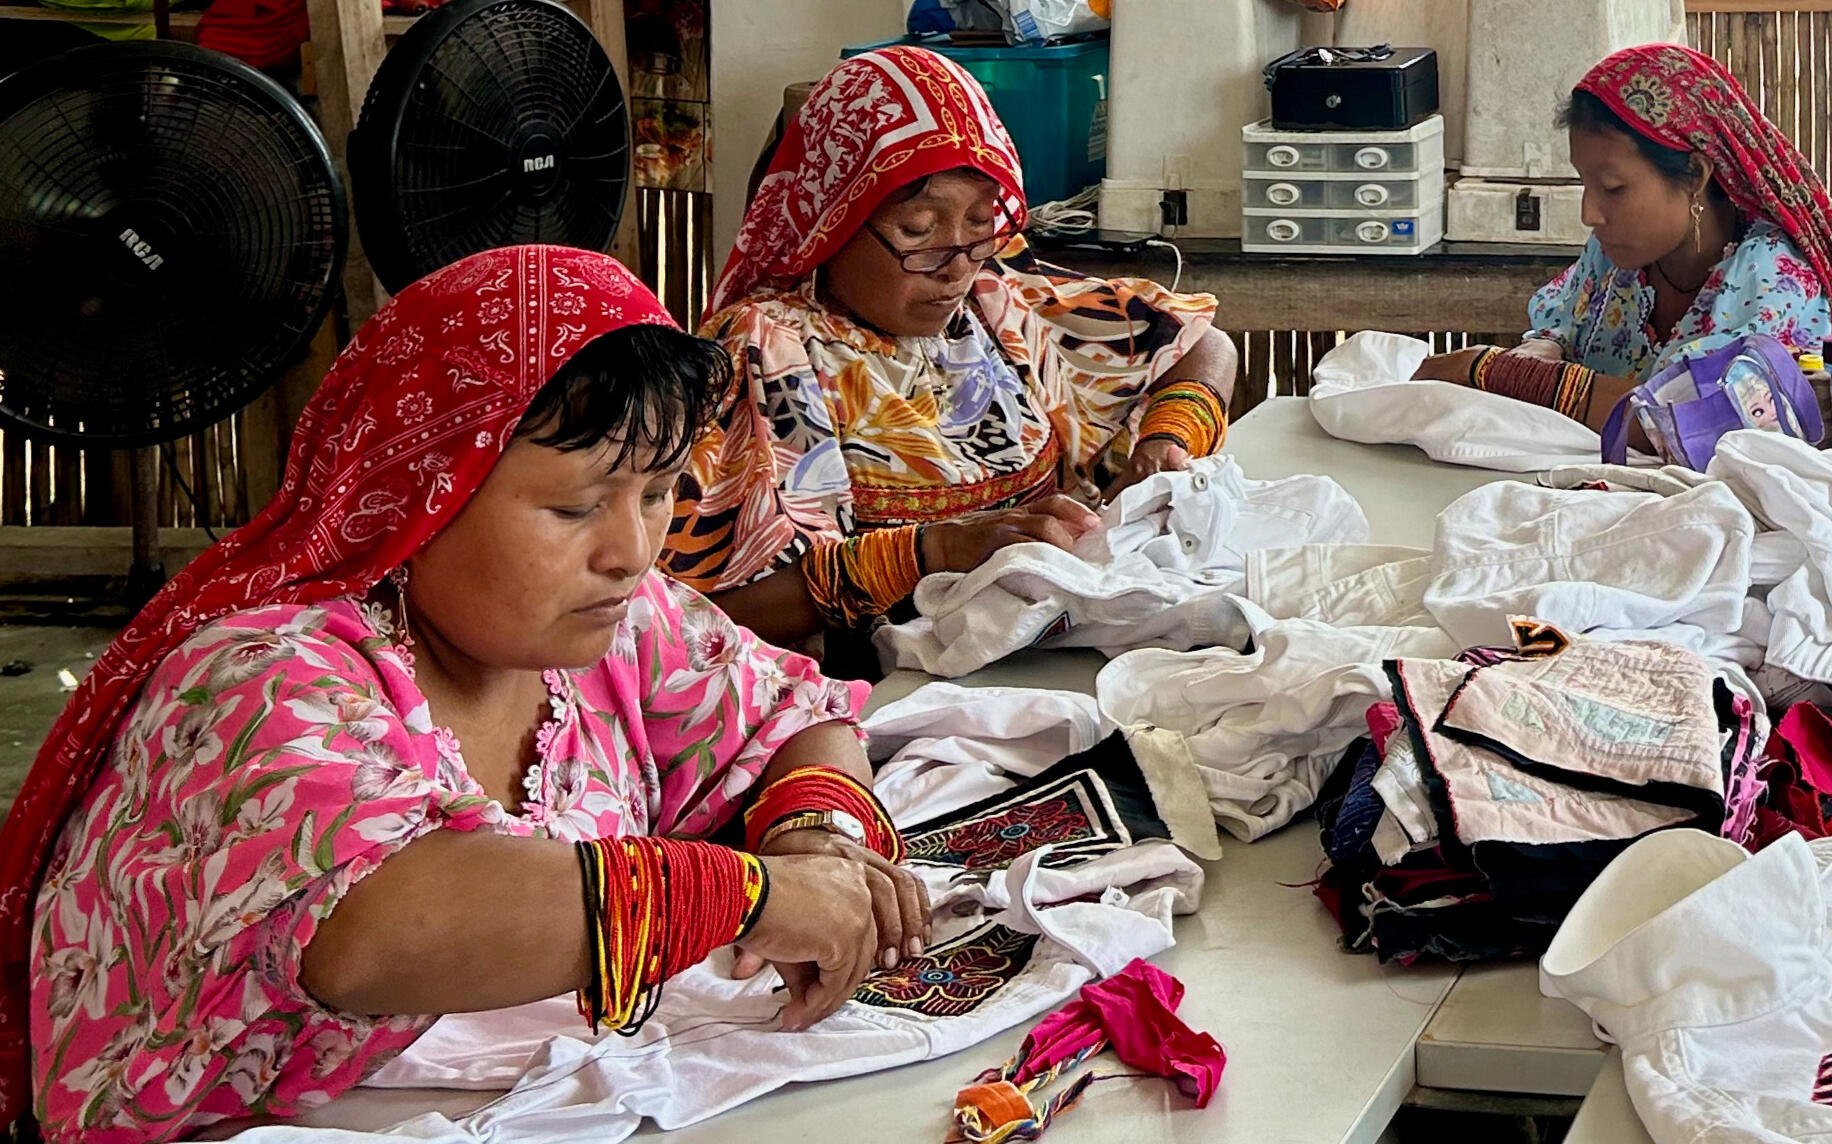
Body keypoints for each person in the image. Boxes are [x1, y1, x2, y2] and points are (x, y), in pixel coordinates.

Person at [0, 246, 931, 1144]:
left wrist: (816, 838)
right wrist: (750, 896)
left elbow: (794, 714)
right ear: (424, 492)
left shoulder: (615, 627)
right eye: (576, 508)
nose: (631, 551)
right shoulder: (258, 679)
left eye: (656, 494)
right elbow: (376, 926)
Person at [664, 46, 1240, 650]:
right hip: (868, 685)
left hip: (1037, 654)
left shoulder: (995, 306)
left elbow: (1203, 344)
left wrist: (1166, 439)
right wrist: (932, 552)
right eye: (918, 231)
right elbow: (696, 614)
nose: (956, 266)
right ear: (834, 219)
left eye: (980, 223)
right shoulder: (764, 352)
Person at [1416, 43, 1832, 431]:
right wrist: (1545, 347)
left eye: (1613, 188)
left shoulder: (1775, 278)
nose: (1589, 214)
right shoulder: (1616, 257)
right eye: (1584, 183)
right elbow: (1563, 325)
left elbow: (1697, 422)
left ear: (1694, 174)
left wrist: (1492, 370)